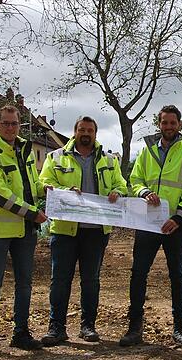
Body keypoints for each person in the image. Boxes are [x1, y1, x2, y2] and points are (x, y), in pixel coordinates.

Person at [39, 116, 128, 345]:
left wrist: (117, 192)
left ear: (95, 133)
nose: (85, 133)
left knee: (91, 280)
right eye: (81, 129)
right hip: (64, 230)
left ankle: (88, 326)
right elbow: (43, 183)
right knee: (60, 280)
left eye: (90, 129)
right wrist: (63, 189)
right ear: (74, 131)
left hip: (96, 231)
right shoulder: (55, 157)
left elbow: (122, 185)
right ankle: (56, 327)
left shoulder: (109, 160)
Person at [119, 105, 182, 347]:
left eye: (172, 123)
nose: (168, 127)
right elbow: (134, 179)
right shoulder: (146, 151)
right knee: (138, 274)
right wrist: (143, 192)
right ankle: (134, 329)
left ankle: (179, 329)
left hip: (176, 225)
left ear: (180, 125)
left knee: (177, 275)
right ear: (159, 124)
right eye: (164, 123)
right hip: (147, 222)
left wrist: (178, 217)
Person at [0, 105, 48, 356]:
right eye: (5, 123)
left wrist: (50, 190)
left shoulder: (25, 151)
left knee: (24, 284)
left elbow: (31, 185)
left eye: (14, 124)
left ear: (20, 125)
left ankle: (21, 333)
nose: (10, 128)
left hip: (25, 229)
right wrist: (33, 213)